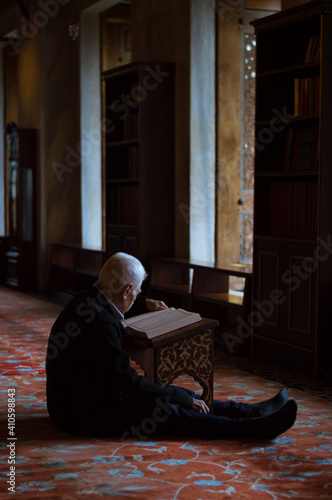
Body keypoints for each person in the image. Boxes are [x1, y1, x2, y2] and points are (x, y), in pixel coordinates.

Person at [46, 252, 297, 440]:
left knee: (183, 395)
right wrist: (179, 400)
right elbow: (130, 384)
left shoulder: (86, 300)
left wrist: (144, 304)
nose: (136, 298)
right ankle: (251, 429)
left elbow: (118, 301)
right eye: (137, 294)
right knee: (167, 411)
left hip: (85, 396)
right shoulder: (101, 325)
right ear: (127, 290)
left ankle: (251, 411)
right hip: (82, 413)